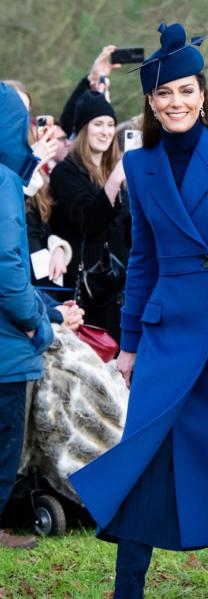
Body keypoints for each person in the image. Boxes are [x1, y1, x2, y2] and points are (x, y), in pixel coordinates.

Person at [68, 23, 208, 599]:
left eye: (187, 90)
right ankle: (128, 589)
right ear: (150, 100)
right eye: (164, 93)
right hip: (167, 333)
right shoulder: (141, 164)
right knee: (145, 455)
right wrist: (128, 345)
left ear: (203, 94)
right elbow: (142, 257)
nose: (176, 102)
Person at [0, 81, 56, 550]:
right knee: (3, 444)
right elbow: (6, 267)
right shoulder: (0, 180)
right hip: (5, 344)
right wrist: (37, 322)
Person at [48, 89, 129, 341]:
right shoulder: (65, 173)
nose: (106, 131)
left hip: (121, 289)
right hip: (89, 292)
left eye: (110, 124)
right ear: (83, 129)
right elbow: (89, 222)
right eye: (98, 124)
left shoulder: (114, 171)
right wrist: (116, 179)